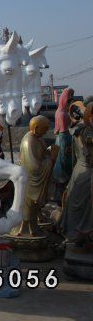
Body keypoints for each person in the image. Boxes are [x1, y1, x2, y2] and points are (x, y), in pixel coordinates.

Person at [10, 115, 58, 237]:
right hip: (30, 182)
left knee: (33, 209)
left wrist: (48, 152)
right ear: (36, 128)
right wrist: (50, 160)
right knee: (28, 207)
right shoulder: (28, 141)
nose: (47, 131)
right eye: (45, 128)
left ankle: (33, 226)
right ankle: (24, 230)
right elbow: (34, 167)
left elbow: (41, 155)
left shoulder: (38, 139)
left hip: (34, 181)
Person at [60, 99, 93, 245]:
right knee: (80, 205)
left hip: (79, 171)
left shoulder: (80, 129)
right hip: (86, 172)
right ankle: (78, 234)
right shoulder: (86, 133)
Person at [52, 88, 75, 201]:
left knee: (63, 162)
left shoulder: (60, 111)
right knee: (63, 162)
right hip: (64, 139)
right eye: (69, 97)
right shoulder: (61, 113)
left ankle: (61, 192)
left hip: (63, 138)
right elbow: (63, 129)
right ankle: (60, 195)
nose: (70, 100)